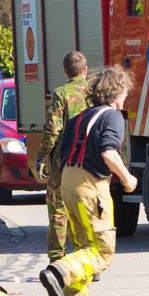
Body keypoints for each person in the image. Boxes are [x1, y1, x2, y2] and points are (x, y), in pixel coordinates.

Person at [37, 66, 138, 296]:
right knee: (102, 251)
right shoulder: (112, 116)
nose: (126, 96)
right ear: (116, 92)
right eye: (125, 91)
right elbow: (108, 152)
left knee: (85, 246)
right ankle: (59, 271)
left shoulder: (78, 119)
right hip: (90, 186)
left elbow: (62, 151)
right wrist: (127, 178)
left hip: (68, 183)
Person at [40, 52, 91, 263]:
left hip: (63, 160)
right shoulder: (95, 93)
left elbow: (53, 130)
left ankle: (57, 261)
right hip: (89, 160)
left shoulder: (61, 94)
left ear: (65, 71)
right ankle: (88, 259)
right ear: (85, 70)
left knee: (58, 209)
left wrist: (42, 156)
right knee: (86, 208)